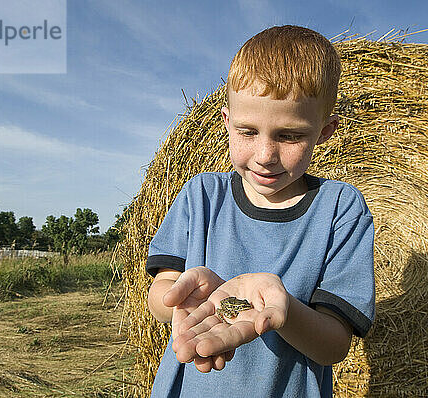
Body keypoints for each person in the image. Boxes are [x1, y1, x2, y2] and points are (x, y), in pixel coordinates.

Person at [146, 25, 375, 398]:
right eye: (248, 131)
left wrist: (283, 308)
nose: (265, 155)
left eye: (289, 136)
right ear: (226, 123)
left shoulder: (339, 209)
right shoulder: (201, 196)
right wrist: (182, 301)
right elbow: (160, 291)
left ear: (325, 131)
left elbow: (335, 345)